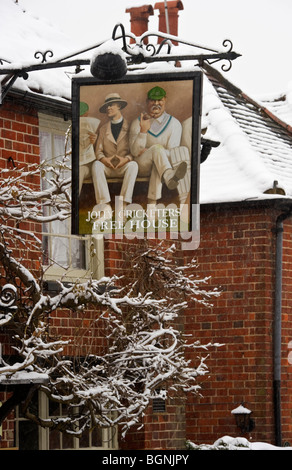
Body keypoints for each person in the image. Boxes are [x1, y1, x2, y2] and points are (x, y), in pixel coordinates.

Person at [129, 86, 187, 206]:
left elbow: (172, 153)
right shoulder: (137, 122)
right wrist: (143, 131)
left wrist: (151, 151)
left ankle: (152, 205)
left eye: (159, 100)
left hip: (162, 164)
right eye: (152, 100)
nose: (156, 103)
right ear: (147, 102)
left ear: (165, 100)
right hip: (142, 164)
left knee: (158, 158)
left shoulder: (174, 123)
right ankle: (169, 175)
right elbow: (135, 152)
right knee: (158, 150)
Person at [91, 93, 138, 219]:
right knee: (96, 165)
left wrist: (127, 159)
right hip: (109, 168)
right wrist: (104, 159)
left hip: (124, 167)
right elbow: (98, 152)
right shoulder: (103, 129)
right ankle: (105, 205)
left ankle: (122, 205)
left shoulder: (130, 127)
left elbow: (134, 150)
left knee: (133, 165)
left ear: (119, 106)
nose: (108, 108)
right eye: (107, 106)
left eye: (111, 105)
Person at [79, 102, 99, 195]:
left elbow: (99, 151)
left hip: (88, 163)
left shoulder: (92, 127)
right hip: (76, 163)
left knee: (80, 170)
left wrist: (93, 142)